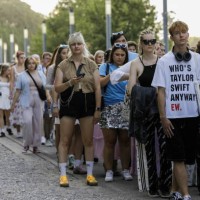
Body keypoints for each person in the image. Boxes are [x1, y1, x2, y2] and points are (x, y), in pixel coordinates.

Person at [151, 21, 200, 200]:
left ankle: (175, 190)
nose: (182, 35)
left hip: (192, 114)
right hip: (172, 116)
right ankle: (186, 195)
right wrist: (163, 117)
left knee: (187, 158)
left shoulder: (197, 59)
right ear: (171, 37)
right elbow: (161, 92)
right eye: (178, 33)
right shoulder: (164, 62)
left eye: (184, 32)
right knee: (178, 157)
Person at [127, 29, 172, 198]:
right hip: (145, 112)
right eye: (146, 41)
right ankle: (152, 184)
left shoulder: (163, 61)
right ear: (141, 44)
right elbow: (131, 88)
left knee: (165, 147)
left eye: (152, 41)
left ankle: (165, 184)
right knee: (149, 149)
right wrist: (150, 91)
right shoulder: (136, 64)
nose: (150, 44)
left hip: (163, 110)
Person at [54, 32, 101, 187]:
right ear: (70, 46)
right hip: (69, 103)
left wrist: (98, 109)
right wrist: (70, 83)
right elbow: (57, 87)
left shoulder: (91, 64)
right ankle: (62, 175)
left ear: (83, 45)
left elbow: (98, 88)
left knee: (88, 140)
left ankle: (89, 174)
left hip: (87, 102)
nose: (76, 47)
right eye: (73, 44)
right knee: (65, 140)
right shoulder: (63, 65)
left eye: (79, 44)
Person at [99, 43, 133, 182]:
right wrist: (112, 75)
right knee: (109, 141)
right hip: (108, 106)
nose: (119, 57)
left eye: (122, 55)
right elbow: (100, 83)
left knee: (125, 140)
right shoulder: (105, 66)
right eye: (117, 54)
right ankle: (109, 170)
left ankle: (126, 169)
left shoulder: (132, 66)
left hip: (126, 106)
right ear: (112, 55)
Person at [11, 56, 46, 153]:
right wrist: (13, 104)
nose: (31, 65)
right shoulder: (22, 75)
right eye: (29, 63)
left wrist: (49, 97)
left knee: (38, 123)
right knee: (27, 122)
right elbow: (18, 91)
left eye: (33, 63)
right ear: (26, 64)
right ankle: (26, 143)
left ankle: (36, 145)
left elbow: (45, 87)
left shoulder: (40, 74)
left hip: (39, 100)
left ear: (36, 64)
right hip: (26, 100)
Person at [9, 51, 25, 138]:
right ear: (18, 58)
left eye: (24, 57)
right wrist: (11, 92)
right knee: (17, 111)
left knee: (24, 110)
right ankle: (18, 130)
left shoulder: (26, 67)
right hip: (16, 91)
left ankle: (25, 130)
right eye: (21, 57)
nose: (23, 59)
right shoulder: (13, 68)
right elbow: (11, 81)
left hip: (25, 91)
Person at [0, 64, 12, 137]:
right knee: (0, 115)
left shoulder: (10, 78)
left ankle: (8, 127)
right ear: (4, 70)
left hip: (8, 97)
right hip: (1, 97)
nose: (9, 71)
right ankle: (2, 130)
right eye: (8, 70)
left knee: (8, 114)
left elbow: (11, 87)